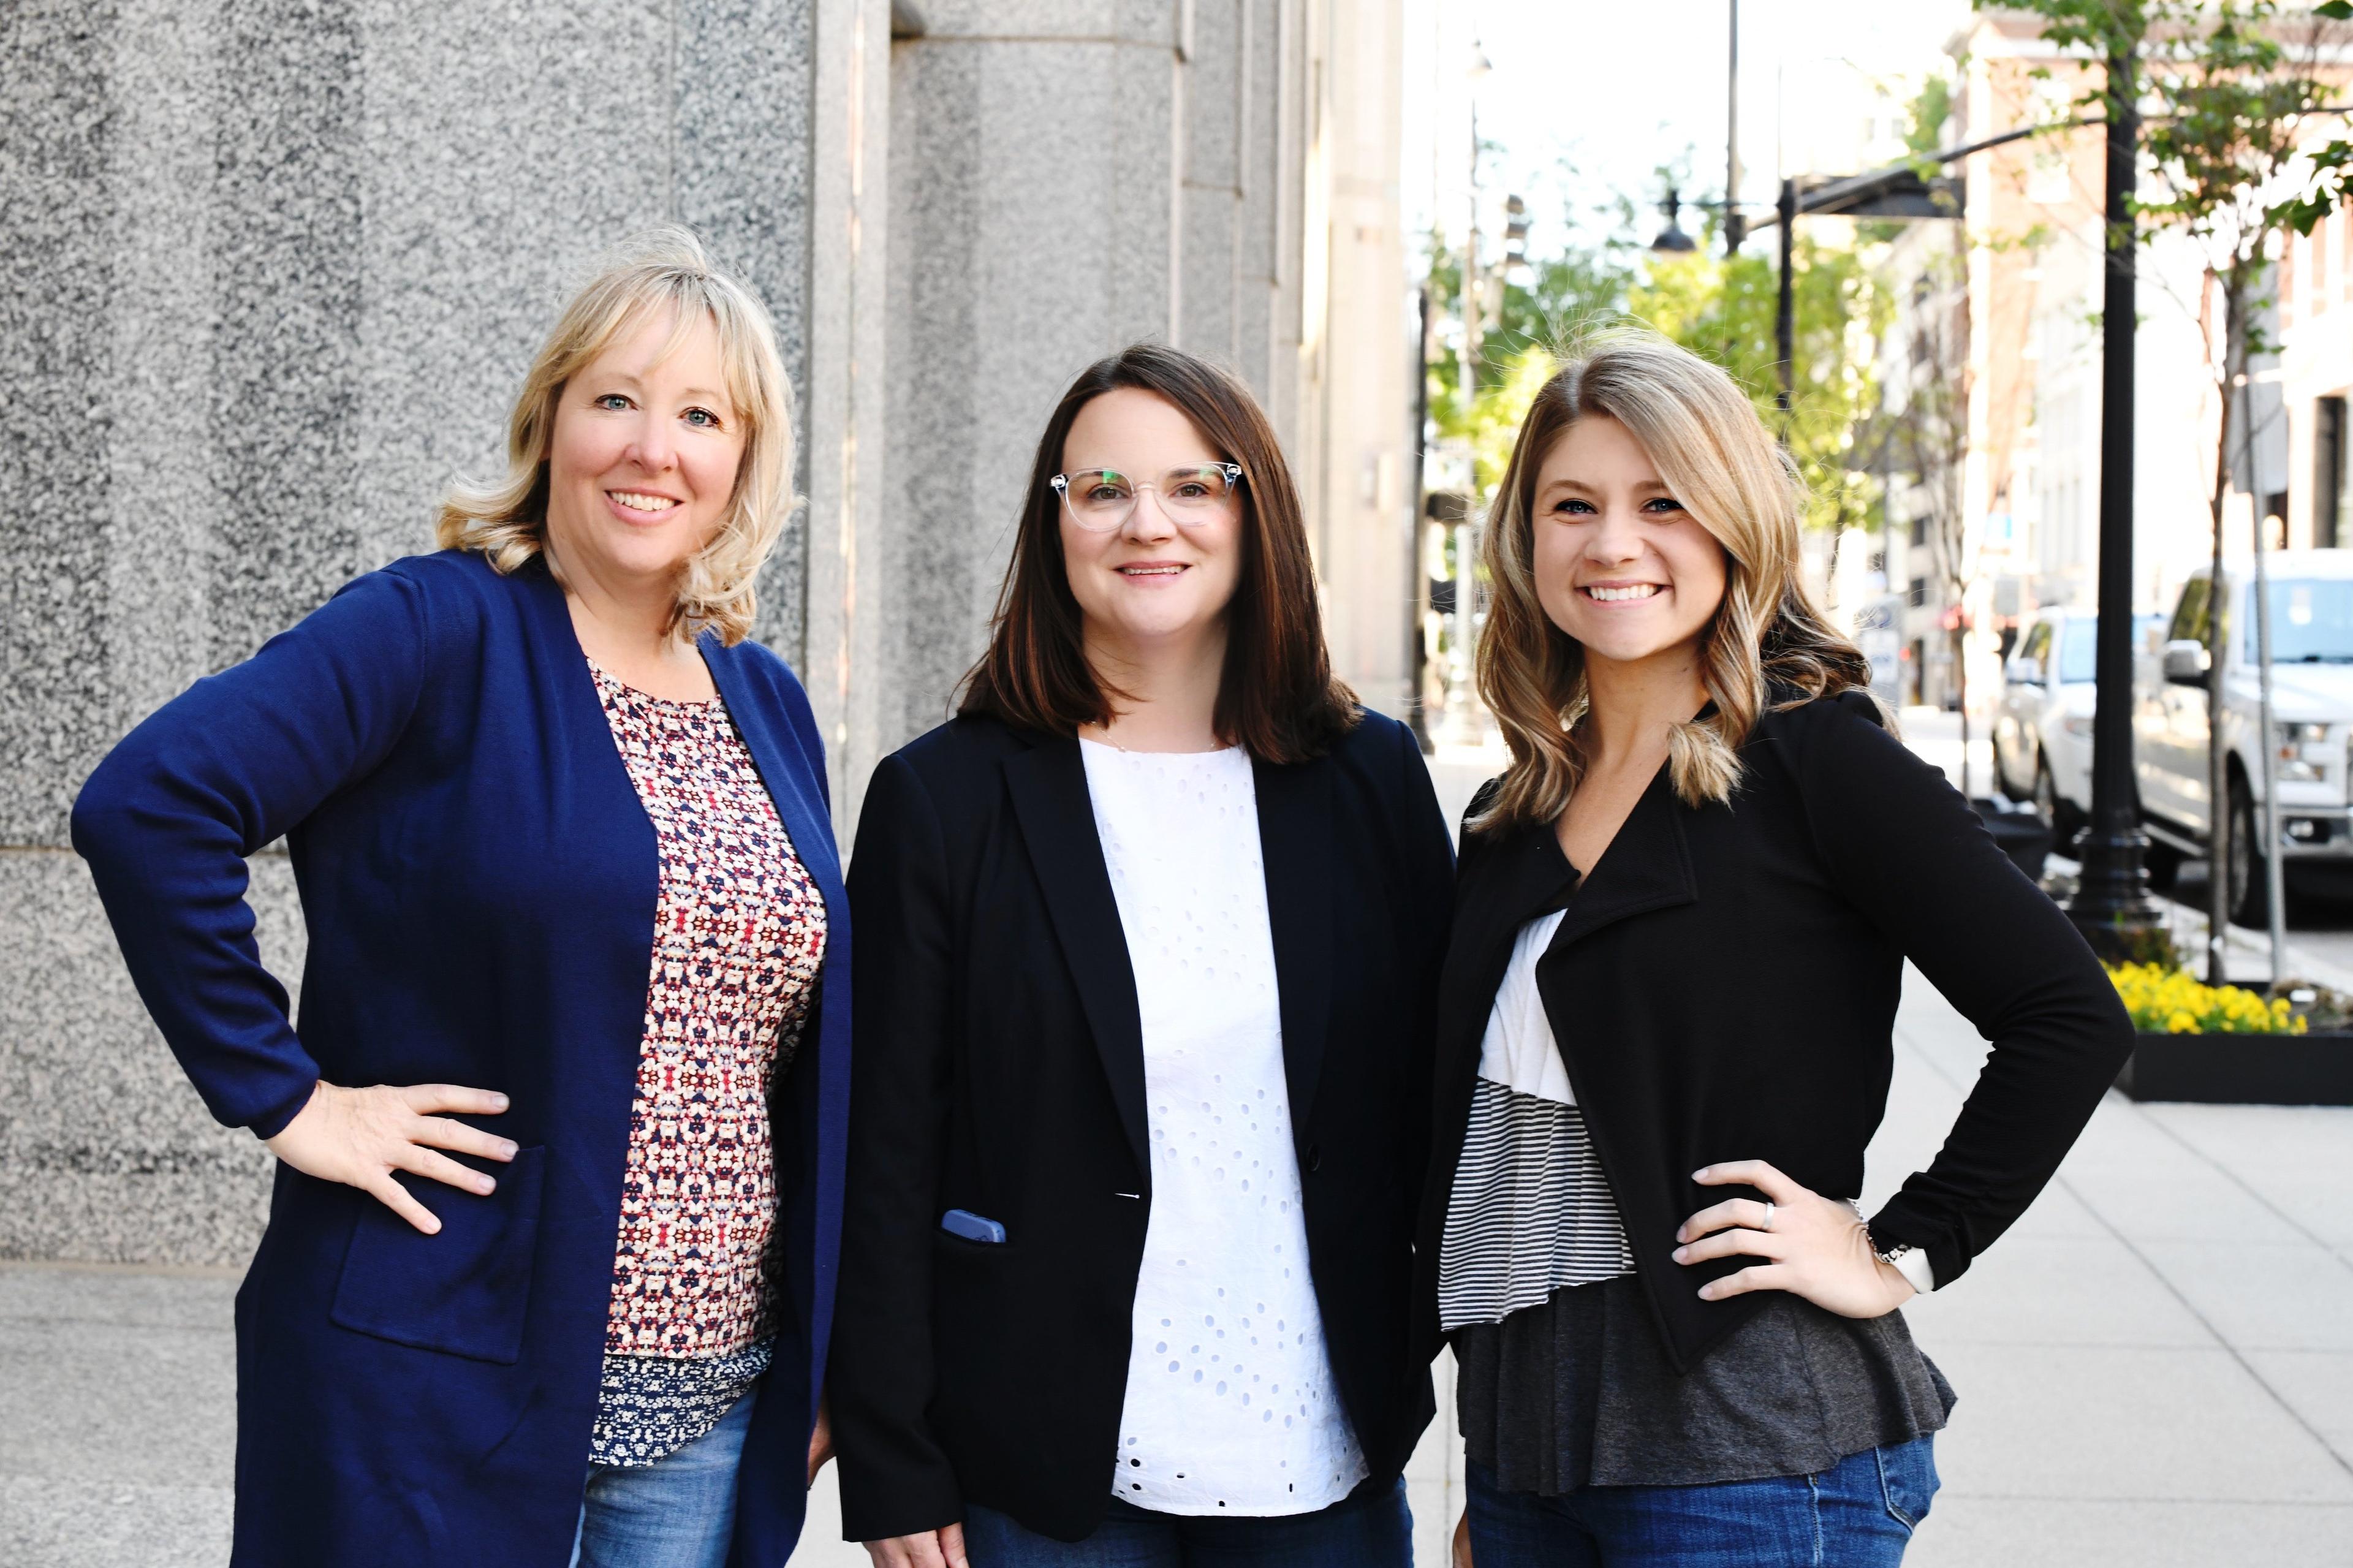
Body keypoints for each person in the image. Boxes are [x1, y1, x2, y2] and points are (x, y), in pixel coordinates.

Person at [70, 228, 848, 1568]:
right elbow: (150, 804)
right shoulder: (433, 629)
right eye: (615, 398)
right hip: (438, 1372)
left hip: (709, 1399)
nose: (652, 446)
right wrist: (291, 1096)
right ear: (550, 421)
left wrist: (835, 1336)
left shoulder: (760, 696)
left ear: (743, 461)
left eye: (699, 414)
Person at [1413, 328, 2135, 1567]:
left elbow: (2069, 1014)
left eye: (1664, 502)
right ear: (1526, 538)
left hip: (1746, 1452)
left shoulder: (1815, 760)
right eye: (1572, 504)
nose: (1613, 542)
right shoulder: (1516, 812)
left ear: (1735, 525)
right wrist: (1512, 1461)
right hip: (1533, 1450)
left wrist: (1900, 1245)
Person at [830, 343, 1455, 1568]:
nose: (1145, 521)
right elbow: (885, 1144)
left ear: (1252, 505)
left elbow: (1443, 1097)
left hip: (1320, 1449)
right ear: (1054, 522)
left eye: (1192, 484)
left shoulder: (1368, 781)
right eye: (1102, 488)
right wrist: (891, 1454)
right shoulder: (945, 797)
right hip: (1043, 1467)